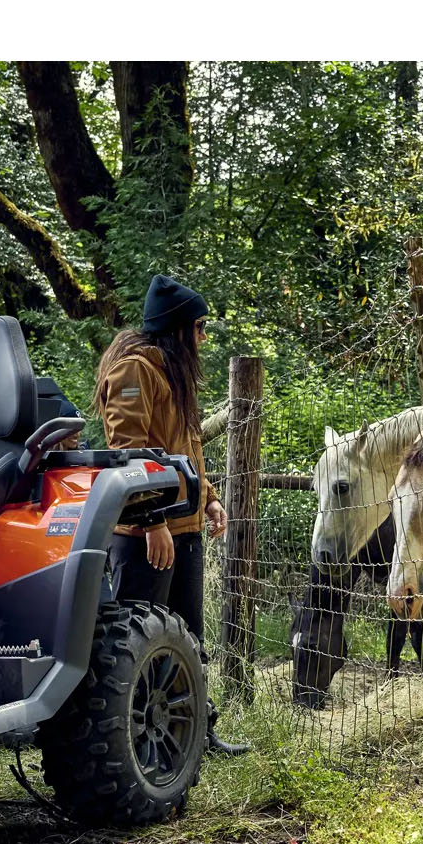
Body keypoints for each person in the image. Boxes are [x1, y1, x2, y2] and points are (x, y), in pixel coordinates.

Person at [95, 275, 249, 757]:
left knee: (188, 639)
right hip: (146, 535)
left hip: (184, 529)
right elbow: (129, 452)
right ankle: (139, 746)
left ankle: (196, 734)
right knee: (142, 643)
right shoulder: (133, 372)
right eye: (199, 327)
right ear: (177, 328)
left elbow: (184, 451)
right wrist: (152, 522)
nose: (204, 337)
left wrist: (210, 499)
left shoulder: (172, 373)